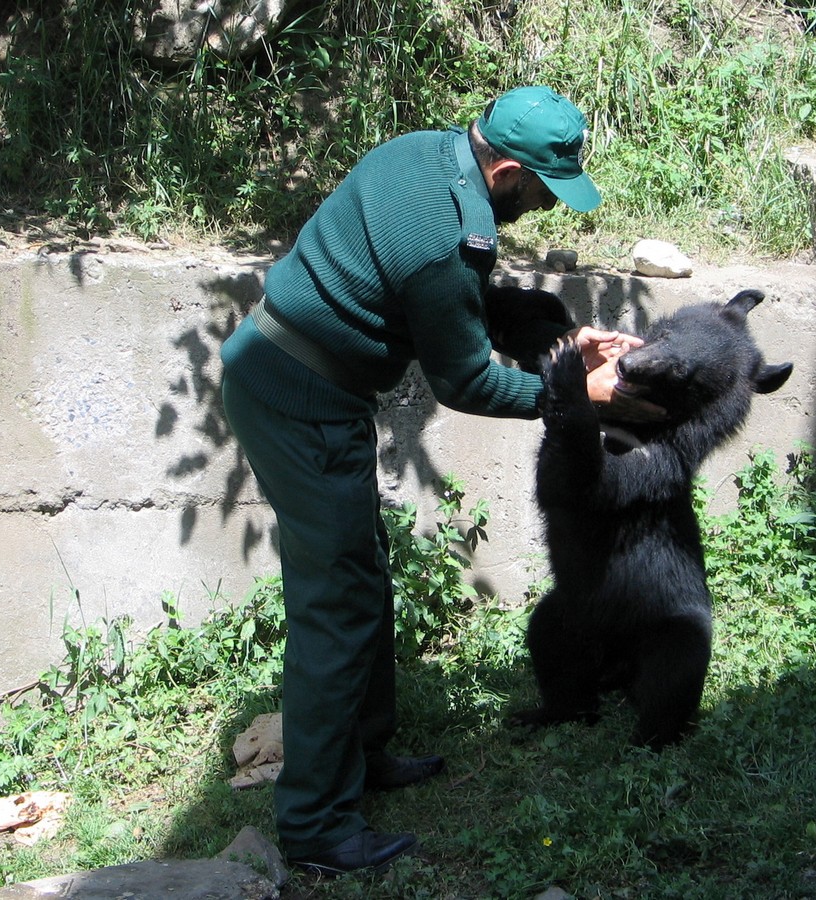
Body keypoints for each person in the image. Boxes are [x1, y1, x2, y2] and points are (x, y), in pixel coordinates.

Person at [220, 85, 658, 876]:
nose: (545, 207)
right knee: (335, 607)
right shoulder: (450, 237)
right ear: (508, 171)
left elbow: (448, 301)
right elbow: (465, 382)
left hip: (300, 379)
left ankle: (363, 755)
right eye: (541, 190)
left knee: (361, 578)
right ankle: (316, 826)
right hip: (298, 398)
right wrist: (571, 397)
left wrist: (561, 342)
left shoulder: (427, 155)